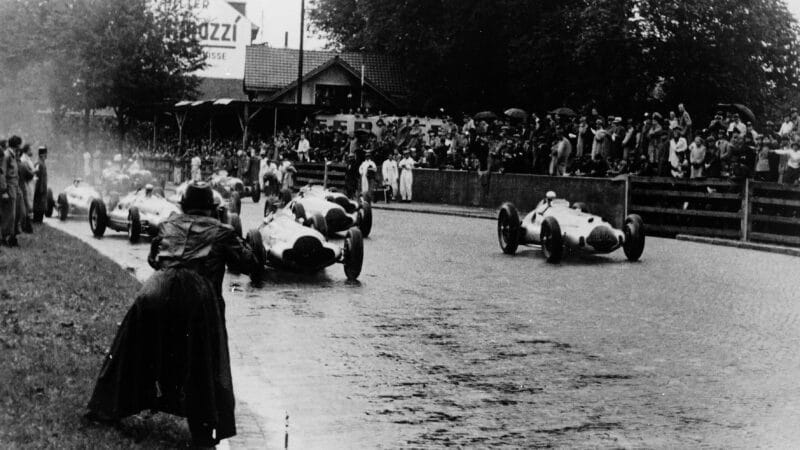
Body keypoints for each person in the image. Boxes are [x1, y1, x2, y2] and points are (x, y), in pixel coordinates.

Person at [86, 181, 262, 447]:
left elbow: (153, 259)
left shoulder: (168, 224)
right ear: (212, 209)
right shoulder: (222, 231)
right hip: (197, 295)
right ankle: (204, 433)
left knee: (130, 349)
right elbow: (250, 265)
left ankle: (103, 408)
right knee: (205, 364)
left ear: (184, 206)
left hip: (156, 287)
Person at [1, 136, 22, 246]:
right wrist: (4, 191)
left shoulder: (13, 155)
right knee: (9, 214)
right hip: (9, 187)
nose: (20, 147)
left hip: (15, 186)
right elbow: (2, 173)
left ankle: (12, 236)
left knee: (16, 213)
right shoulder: (7, 155)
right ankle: (5, 237)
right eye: (19, 145)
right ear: (16, 145)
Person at [17, 144, 35, 233]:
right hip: (23, 185)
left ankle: (25, 225)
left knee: (25, 205)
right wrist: (34, 171)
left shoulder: (22, 162)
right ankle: (26, 226)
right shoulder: (22, 163)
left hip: (23, 185)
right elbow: (29, 174)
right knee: (26, 205)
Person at [32, 146, 49, 223]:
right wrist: (40, 188)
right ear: (42, 154)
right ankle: (37, 220)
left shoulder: (42, 163)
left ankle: (39, 220)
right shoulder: (39, 163)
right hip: (39, 189)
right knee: (39, 205)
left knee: (41, 205)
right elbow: (37, 177)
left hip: (42, 188)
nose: (46, 155)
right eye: (45, 154)